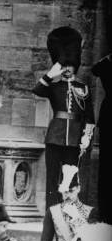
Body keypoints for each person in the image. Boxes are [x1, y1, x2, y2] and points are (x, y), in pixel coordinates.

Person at [32, 27, 95, 208]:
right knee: (52, 176)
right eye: (63, 65)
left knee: (71, 176)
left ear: (75, 65)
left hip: (75, 138)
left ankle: (68, 211)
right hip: (55, 136)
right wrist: (51, 74)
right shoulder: (53, 86)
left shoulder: (83, 88)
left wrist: (86, 136)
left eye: (69, 65)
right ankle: (51, 211)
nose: (67, 69)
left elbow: (89, 116)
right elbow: (37, 90)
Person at [91, 54, 112, 223]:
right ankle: (105, 214)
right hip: (109, 120)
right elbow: (95, 70)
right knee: (106, 170)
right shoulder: (106, 65)